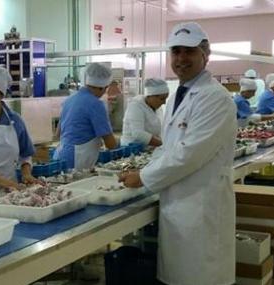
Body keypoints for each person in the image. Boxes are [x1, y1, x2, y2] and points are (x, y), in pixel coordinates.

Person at [119, 22, 236, 285]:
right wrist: (142, 171)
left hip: (201, 207)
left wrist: (144, 177)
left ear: (205, 55)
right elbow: (169, 147)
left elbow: (188, 154)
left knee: (201, 276)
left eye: (189, 51)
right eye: (176, 52)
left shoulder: (215, 97)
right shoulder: (178, 96)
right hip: (178, 205)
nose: (181, 59)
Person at [52, 63, 117, 170]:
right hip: (77, 159)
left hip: (60, 155)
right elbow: (110, 143)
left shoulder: (70, 99)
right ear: (103, 88)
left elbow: (58, 134)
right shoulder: (96, 104)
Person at [120, 78, 169, 147]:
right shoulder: (136, 106)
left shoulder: (157, 108)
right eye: (162, 99)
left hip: (148, 147)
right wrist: (163, 145)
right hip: (131, 148)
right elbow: (138, 134)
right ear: (151, 96)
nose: (164, 102)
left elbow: (160, 129)